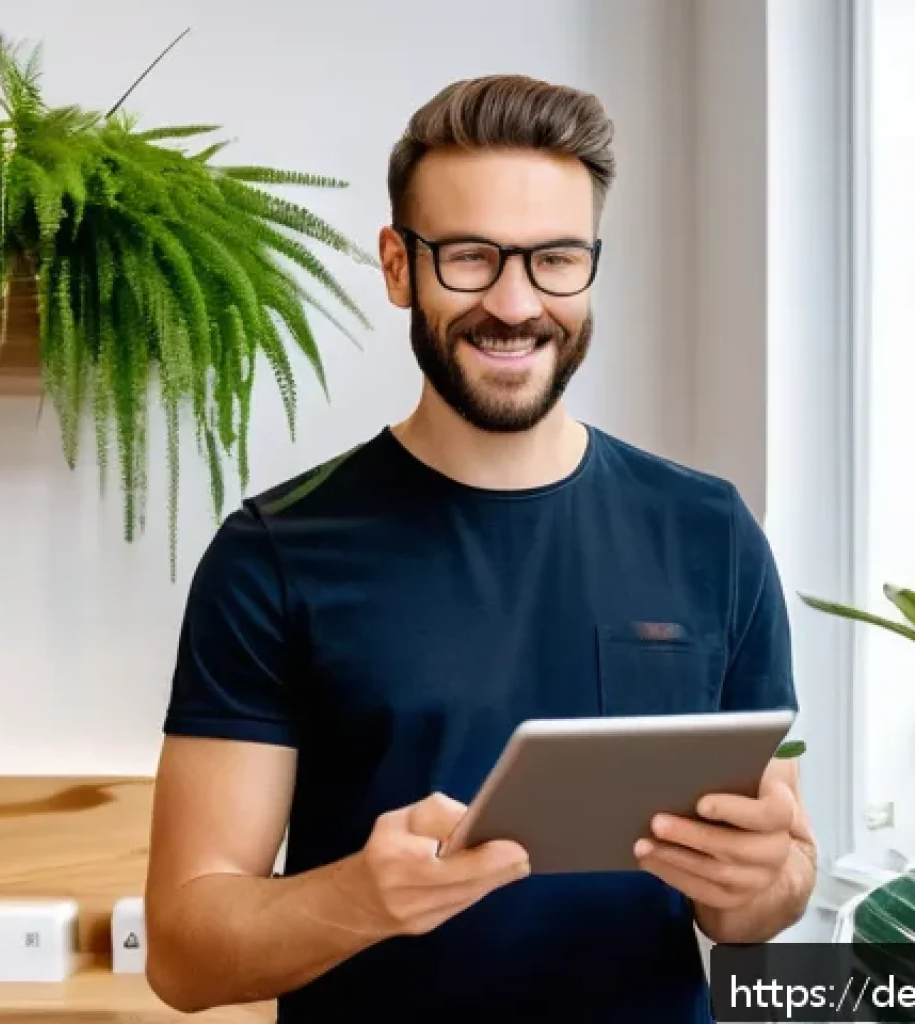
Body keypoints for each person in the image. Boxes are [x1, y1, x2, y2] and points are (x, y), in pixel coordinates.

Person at [143, 74, 817, 1023]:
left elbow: (774, 888)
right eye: (469, 257)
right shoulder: (272, 554)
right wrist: (356, 899)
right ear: (396, 266)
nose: (514, 302)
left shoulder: (714, 533)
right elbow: (182, 952)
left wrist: (754, 887)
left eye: (554, 260)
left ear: (592, 265)